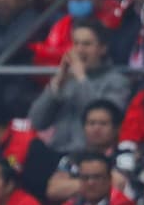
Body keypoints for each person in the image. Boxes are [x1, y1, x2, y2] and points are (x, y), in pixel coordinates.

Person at [28, 20, 131, 154]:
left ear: (103, 48)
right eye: (76, 43)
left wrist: (81, 78)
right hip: (57, 151)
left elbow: (103, 115)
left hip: (91, 156)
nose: (79, 49)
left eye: (87, 44)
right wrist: (57, 83)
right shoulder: (68, 80)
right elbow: (37, 121)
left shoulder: (117, 81)